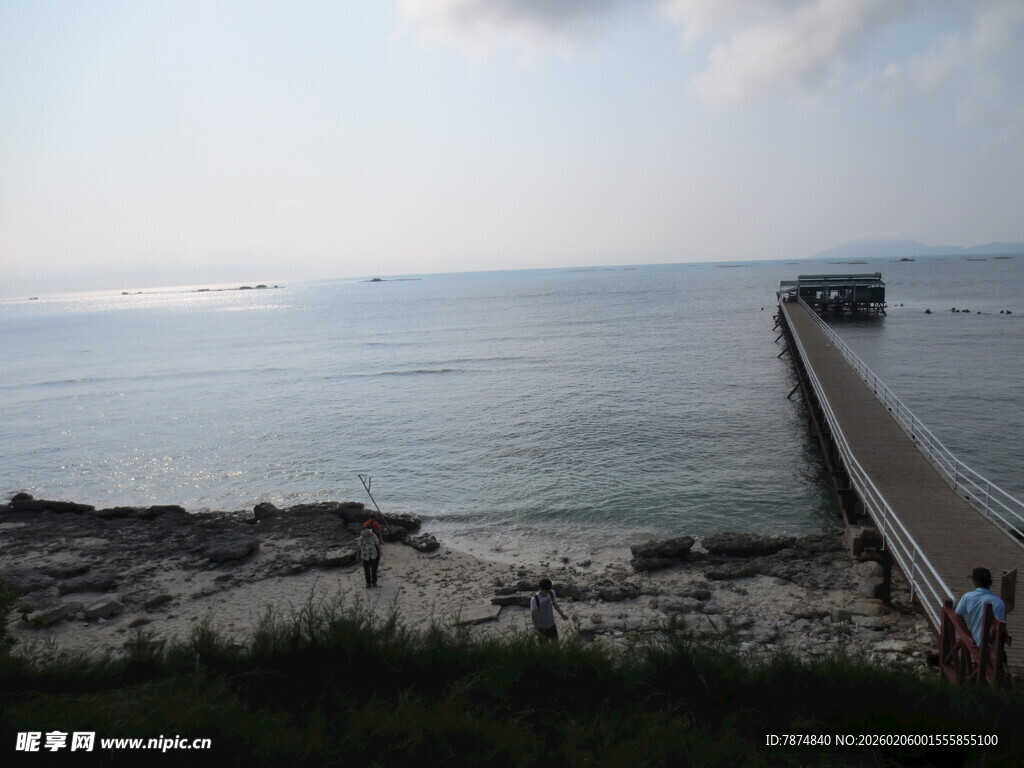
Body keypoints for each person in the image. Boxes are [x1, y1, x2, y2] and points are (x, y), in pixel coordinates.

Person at [955, 567, 1007, 645]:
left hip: (975, 644)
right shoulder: (999, 602)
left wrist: (969, 635)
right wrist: (986, 643)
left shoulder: (967, 597)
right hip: (991, 648)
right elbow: (998, 626)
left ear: (975, 582)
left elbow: (958, 616)